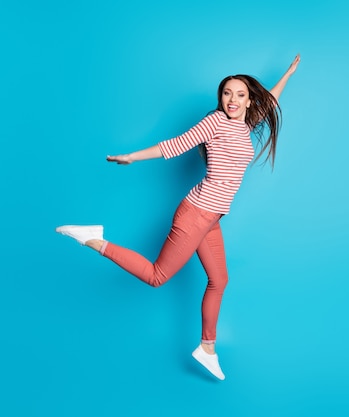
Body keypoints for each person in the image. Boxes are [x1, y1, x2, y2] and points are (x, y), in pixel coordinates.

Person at [56, 55, 300, 380]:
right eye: (227, 93)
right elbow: (175, 145)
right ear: (221, 98)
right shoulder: (215, 122)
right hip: (196, 214)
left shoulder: (246, 124)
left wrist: (288, 73)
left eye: (239, 94)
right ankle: (91, 238)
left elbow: (270, 100)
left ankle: (207, 348)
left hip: (211, 219)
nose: (232, 100)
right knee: (158, 276)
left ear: (249, 99)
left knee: (220, 280)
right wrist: (132, 156)